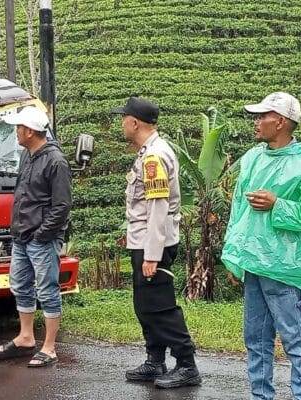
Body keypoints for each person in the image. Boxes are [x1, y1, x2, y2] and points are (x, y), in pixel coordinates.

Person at [221, 92, 301, 400]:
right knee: (255, 338)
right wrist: (234, 256)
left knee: (295, 339)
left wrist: (277, 205)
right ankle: (261, 396)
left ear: (281, 122)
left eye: (262, 117)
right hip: (254, 264)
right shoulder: (253, 159)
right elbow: (238, 210)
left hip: (285, 267)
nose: (256, 122)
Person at [112, 96, 202, 388]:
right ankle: (155, 360)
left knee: (160, 306)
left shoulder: (154, 157)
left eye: (124, 118)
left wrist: (151, 254)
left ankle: (187, 364)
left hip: (155, 245)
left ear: (134, 122)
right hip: (144, 241)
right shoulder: (147, 152)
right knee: (144, 305)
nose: (122, 123)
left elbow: (158, 207)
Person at [0, 106, 72, 368]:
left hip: (40, 238)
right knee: (21, 286)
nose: (16, 132)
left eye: (18, 128)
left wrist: (42, 235)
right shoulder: (27, 156)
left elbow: (62, 206)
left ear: (29, 131)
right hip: (22, 235)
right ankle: (26, 337)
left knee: (47, 290)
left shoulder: (56, 162)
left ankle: (49, 347)